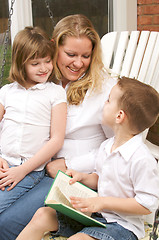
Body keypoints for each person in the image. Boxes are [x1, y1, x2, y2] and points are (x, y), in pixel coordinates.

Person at [0, 14, 116, 239]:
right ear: (54, 48)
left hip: (73, 177)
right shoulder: (42, 79)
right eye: (71, 54)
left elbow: (117, 146)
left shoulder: (106, 89)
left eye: (86, 56)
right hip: (33, 168)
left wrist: (72, 163)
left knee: (8, 222)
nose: (78, 63)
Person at [16, 77, 159, 240]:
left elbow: (146, 204)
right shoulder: (107, 146)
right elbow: (101, 178)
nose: (103, 103)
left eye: (108, 100)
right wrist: (83, 177)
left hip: (122, 227)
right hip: (96, 215)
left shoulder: (141, 159)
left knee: (79, 239)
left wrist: (102, 202)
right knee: (43, 214)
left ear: (119, 116)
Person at [0, 26, 67, 213]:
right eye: (35, 63)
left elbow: (56, 139)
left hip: (30, 169)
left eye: (47, 61)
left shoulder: (55, 93)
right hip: (5, 163)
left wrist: (22, 170)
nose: (44, 68)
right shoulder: (7, 92)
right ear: (21, 64)